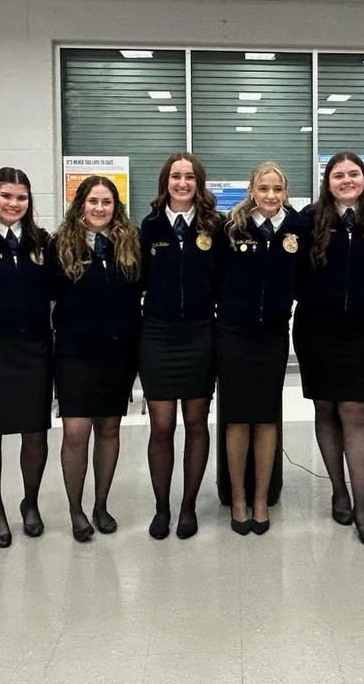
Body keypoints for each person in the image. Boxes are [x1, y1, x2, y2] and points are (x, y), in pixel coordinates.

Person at [294, 151, 364, 546]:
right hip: (316, 329)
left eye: (354, 174)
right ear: (326, 181)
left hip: (361, 331)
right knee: (325, 408)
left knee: (355, 411)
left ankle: (363, 507)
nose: (347, 180)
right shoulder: (307, 220)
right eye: (338, 175)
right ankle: (338, 490)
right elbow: (293, 271)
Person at [215, 162, 308, 535]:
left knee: (267, 417)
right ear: (252, 190)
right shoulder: (232, 228)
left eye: (278, 189)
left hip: (272, 334)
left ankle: (260, 498)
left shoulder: (298, 228)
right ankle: (237, 498)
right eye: (264, 188)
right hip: (234, 333)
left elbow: (305, 275)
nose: (271, 196)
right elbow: (217, 275)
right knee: (237, 417)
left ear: (285, 192)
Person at [49, 175, 143, 542]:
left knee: (109, 428)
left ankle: (101, 504)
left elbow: (139, 289)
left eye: (106, 202)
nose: (99, 208)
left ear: (115, 206)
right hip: (74, 352)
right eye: (92, 202)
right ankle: (75, 510)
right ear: (80, 206)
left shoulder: (128, 244)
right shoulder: (62, 245)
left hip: (118, 353)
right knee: (76, 431)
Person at [138, 153, 225, 541]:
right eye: (176, 176)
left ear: (199, 183)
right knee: (162, 424)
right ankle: (162, 507)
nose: (183, 183)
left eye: (190, 177)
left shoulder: (214, 227)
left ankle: (188, 506)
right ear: (165, 182)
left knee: (195, 422)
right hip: (157, 335)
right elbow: (137, 278)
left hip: (200, 333)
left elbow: (225, 278)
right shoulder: (150, 226)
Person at [0, 167, 52, 547]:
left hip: (34, 350)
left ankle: (30, 503)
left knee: (35, 432)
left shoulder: (41, 243)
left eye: (21, 197)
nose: (14, 204)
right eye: (6, 196)